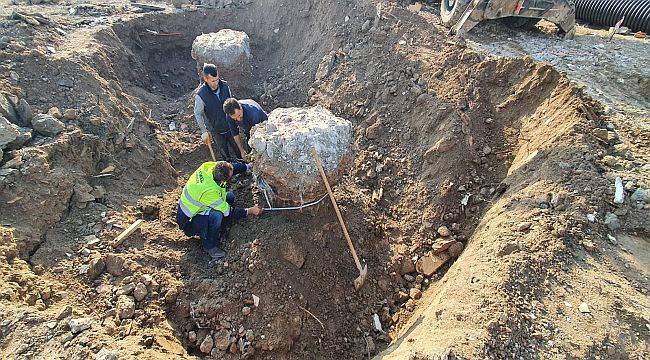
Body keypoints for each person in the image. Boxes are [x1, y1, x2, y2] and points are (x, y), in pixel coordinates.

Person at [176, 161, 263, 259]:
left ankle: (222, 226)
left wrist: (247, 167)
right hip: (190, 220)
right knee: (217, 215)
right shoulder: (209, 191)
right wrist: (250, 211)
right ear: (222, 180)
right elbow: (229, 211)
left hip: (200, 205)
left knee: (229, 196)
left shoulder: (209, 167)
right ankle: (210, 246)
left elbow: (231, 168)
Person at [194, 64, 240, 161]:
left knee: (239, 150)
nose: (216, 83)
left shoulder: (225, 86)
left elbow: (231, 103)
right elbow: (198, 113)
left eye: (217, 79)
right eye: (213, 81)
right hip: (216, 130)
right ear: (206, 79)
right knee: (225, 156)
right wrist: (204, 131)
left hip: (230, 126)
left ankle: (244, 167)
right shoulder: (201, 95)